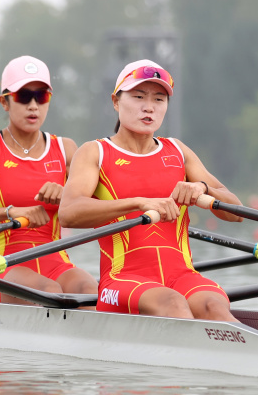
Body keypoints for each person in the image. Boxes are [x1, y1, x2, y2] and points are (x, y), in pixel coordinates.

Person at [58, 59, 243, 320]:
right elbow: (68, 213)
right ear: (115, 101)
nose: (149, 107)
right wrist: (139, 203)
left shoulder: (178, 151)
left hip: (182, 275)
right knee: (173, 304)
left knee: (214, 305)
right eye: (138, 96)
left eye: (159, 99)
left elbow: (236, 212)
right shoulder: (95, 152)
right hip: (122, 280)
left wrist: (203, 188)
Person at [0, 55, 98, 304]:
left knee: (91, 292)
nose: (34, 105)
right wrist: (10, 212)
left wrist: (68, 195)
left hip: (57, 262)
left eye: (42, 96)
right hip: (4, 265)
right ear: (5, 102)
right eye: (24, 96)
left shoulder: (67, 149)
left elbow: (96, 209)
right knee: (49, 292)